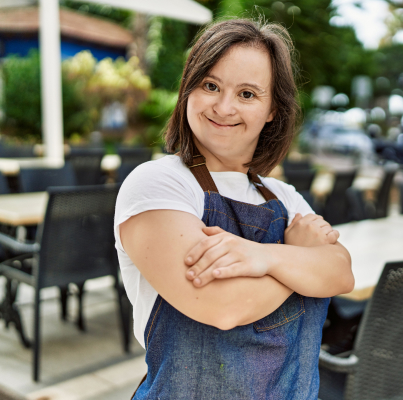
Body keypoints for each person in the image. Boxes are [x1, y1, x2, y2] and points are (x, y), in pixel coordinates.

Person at [115, 19, 354, 399]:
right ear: (188, 90)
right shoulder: (158, 184)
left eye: (247, 94)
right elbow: (223, 306)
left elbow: (341, 273)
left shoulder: (282, 194)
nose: (224, 107)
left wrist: (262, 256)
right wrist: (301, 261)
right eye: (210, 85)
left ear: (273, 109)